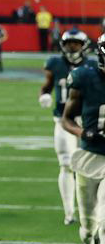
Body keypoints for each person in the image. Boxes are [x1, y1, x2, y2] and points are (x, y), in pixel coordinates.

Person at [61, 35, 105, 244]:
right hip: (89, 157)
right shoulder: (84, 77)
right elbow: (67, 119)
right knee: (89, 225)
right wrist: (82, 132)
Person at [40, 30, 90, 225]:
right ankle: (69, 213)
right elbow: (47, 85)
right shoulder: (55, 63)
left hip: (87, 121)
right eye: (69, 43)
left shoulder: (92, 65)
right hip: (62, 120)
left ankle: (89, 211)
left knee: (88, 167)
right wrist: (43, 95)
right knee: (66, 164)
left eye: (76, 43)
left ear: (83, 45)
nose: (72, 46)